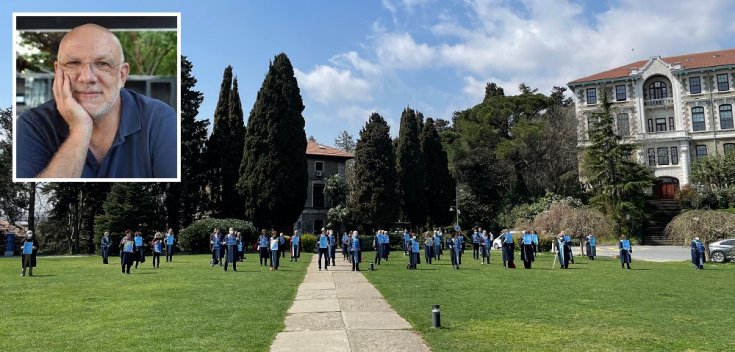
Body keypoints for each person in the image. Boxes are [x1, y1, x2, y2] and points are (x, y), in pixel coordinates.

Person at [15, 24, 176, 179]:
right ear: (58, 71)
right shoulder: (32, 125)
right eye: (73, 63)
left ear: (122, 75)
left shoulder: (160, 119)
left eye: (102, 64)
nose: (87, 77)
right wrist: (81, 129)